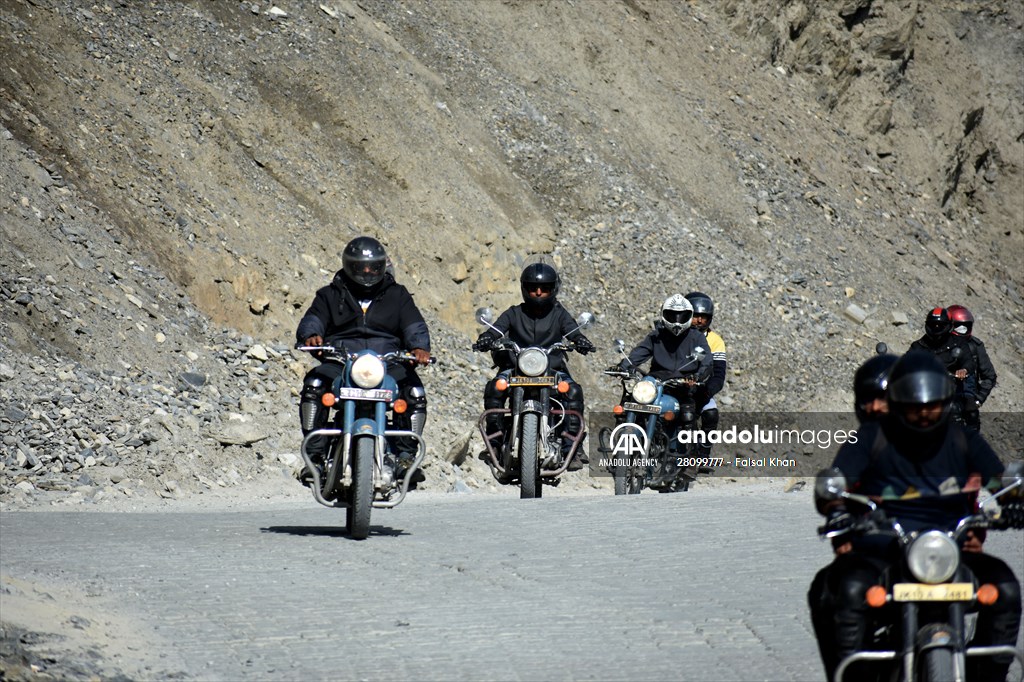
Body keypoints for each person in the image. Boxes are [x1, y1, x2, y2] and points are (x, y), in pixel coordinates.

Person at [810, 351, 1021, 682]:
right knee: (849, 589)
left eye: (932, 404)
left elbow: (1000, 480)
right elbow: (839, 481)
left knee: (1005, 588)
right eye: (914, 405)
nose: (924, 413)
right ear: (898, 401)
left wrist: (1015, 499)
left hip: (951, 551)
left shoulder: (964, 439)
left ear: (945, 399)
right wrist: (837, 509)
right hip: (886, 550)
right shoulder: (871, 437)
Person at [296, 236, 432, 480]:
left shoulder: (398, 295)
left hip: (387, 361)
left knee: (413, 392)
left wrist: (419, 347)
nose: (367, 272)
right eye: (360, 267)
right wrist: (312, 334)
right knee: (314, 386)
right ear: (349, 266)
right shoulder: (330, 294)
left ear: (382, 267)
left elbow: (414, 324)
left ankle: (405, 456)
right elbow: (314, 317)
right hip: (340, 359)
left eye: (373, 267)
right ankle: (314, 456)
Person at [807, 351, 897, 677]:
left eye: (883, 399)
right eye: (868, 400)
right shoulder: (861, 441)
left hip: (934, 549)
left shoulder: (941, 435)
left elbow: (971, 482)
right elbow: (836, 487)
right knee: (830, 589)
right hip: (879, 551)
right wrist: (840, 522)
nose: (875, 407)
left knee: (1003, 590)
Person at [472, 263, 595, 468]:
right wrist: (487, 337)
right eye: (533, 288)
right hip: (517, 370)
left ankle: (571, 448)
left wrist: (580, 340)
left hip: (552, 370)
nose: (538, 292)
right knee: (495, 387)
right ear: (524, 288)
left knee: (573, 391)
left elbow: (572, 331)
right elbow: (498, 329)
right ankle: (494, 442)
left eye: (544, 288)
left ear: (553, 289)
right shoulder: (514, 313)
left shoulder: (559, 314)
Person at [610, 294, 713, 486]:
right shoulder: (656, 335)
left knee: (687, 415)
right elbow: (638, 354)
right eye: (672, 315)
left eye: (681, 316)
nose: (676, 321)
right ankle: (620, 453)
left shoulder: (696, 337)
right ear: (664, 315)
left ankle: (687, 461)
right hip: (656, 382)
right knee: (628, 404)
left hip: (682, 385)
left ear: (688, 316)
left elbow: (707, 361)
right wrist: (624, 366)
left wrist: (698, 376)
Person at [909, 307, 977, 430]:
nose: (936, 328)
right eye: (933, 324)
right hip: (923, 389)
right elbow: (906, 361)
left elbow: (968, 361)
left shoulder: (959, 343)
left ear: (948, 326)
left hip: (952, 389)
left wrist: (964, 370)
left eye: (940, 325)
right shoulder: (919, 345)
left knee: (968, 411)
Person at [684, 291, 726, 458]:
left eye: (704, 317)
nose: (699, 320)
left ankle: (703, 455)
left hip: (699, 389)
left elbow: (718, 375)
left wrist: (705, 392)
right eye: (695, 316)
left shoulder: (716, 341)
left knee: (710, 413)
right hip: (673, 386)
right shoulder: (675, 334)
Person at [947, 304, 997, 432]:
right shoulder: (937, 344)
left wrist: (978, 400)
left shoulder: (976, 346)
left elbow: (989, 376)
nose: (963, 330)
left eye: (966, 326)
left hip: (965, 400)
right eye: (959, 326)